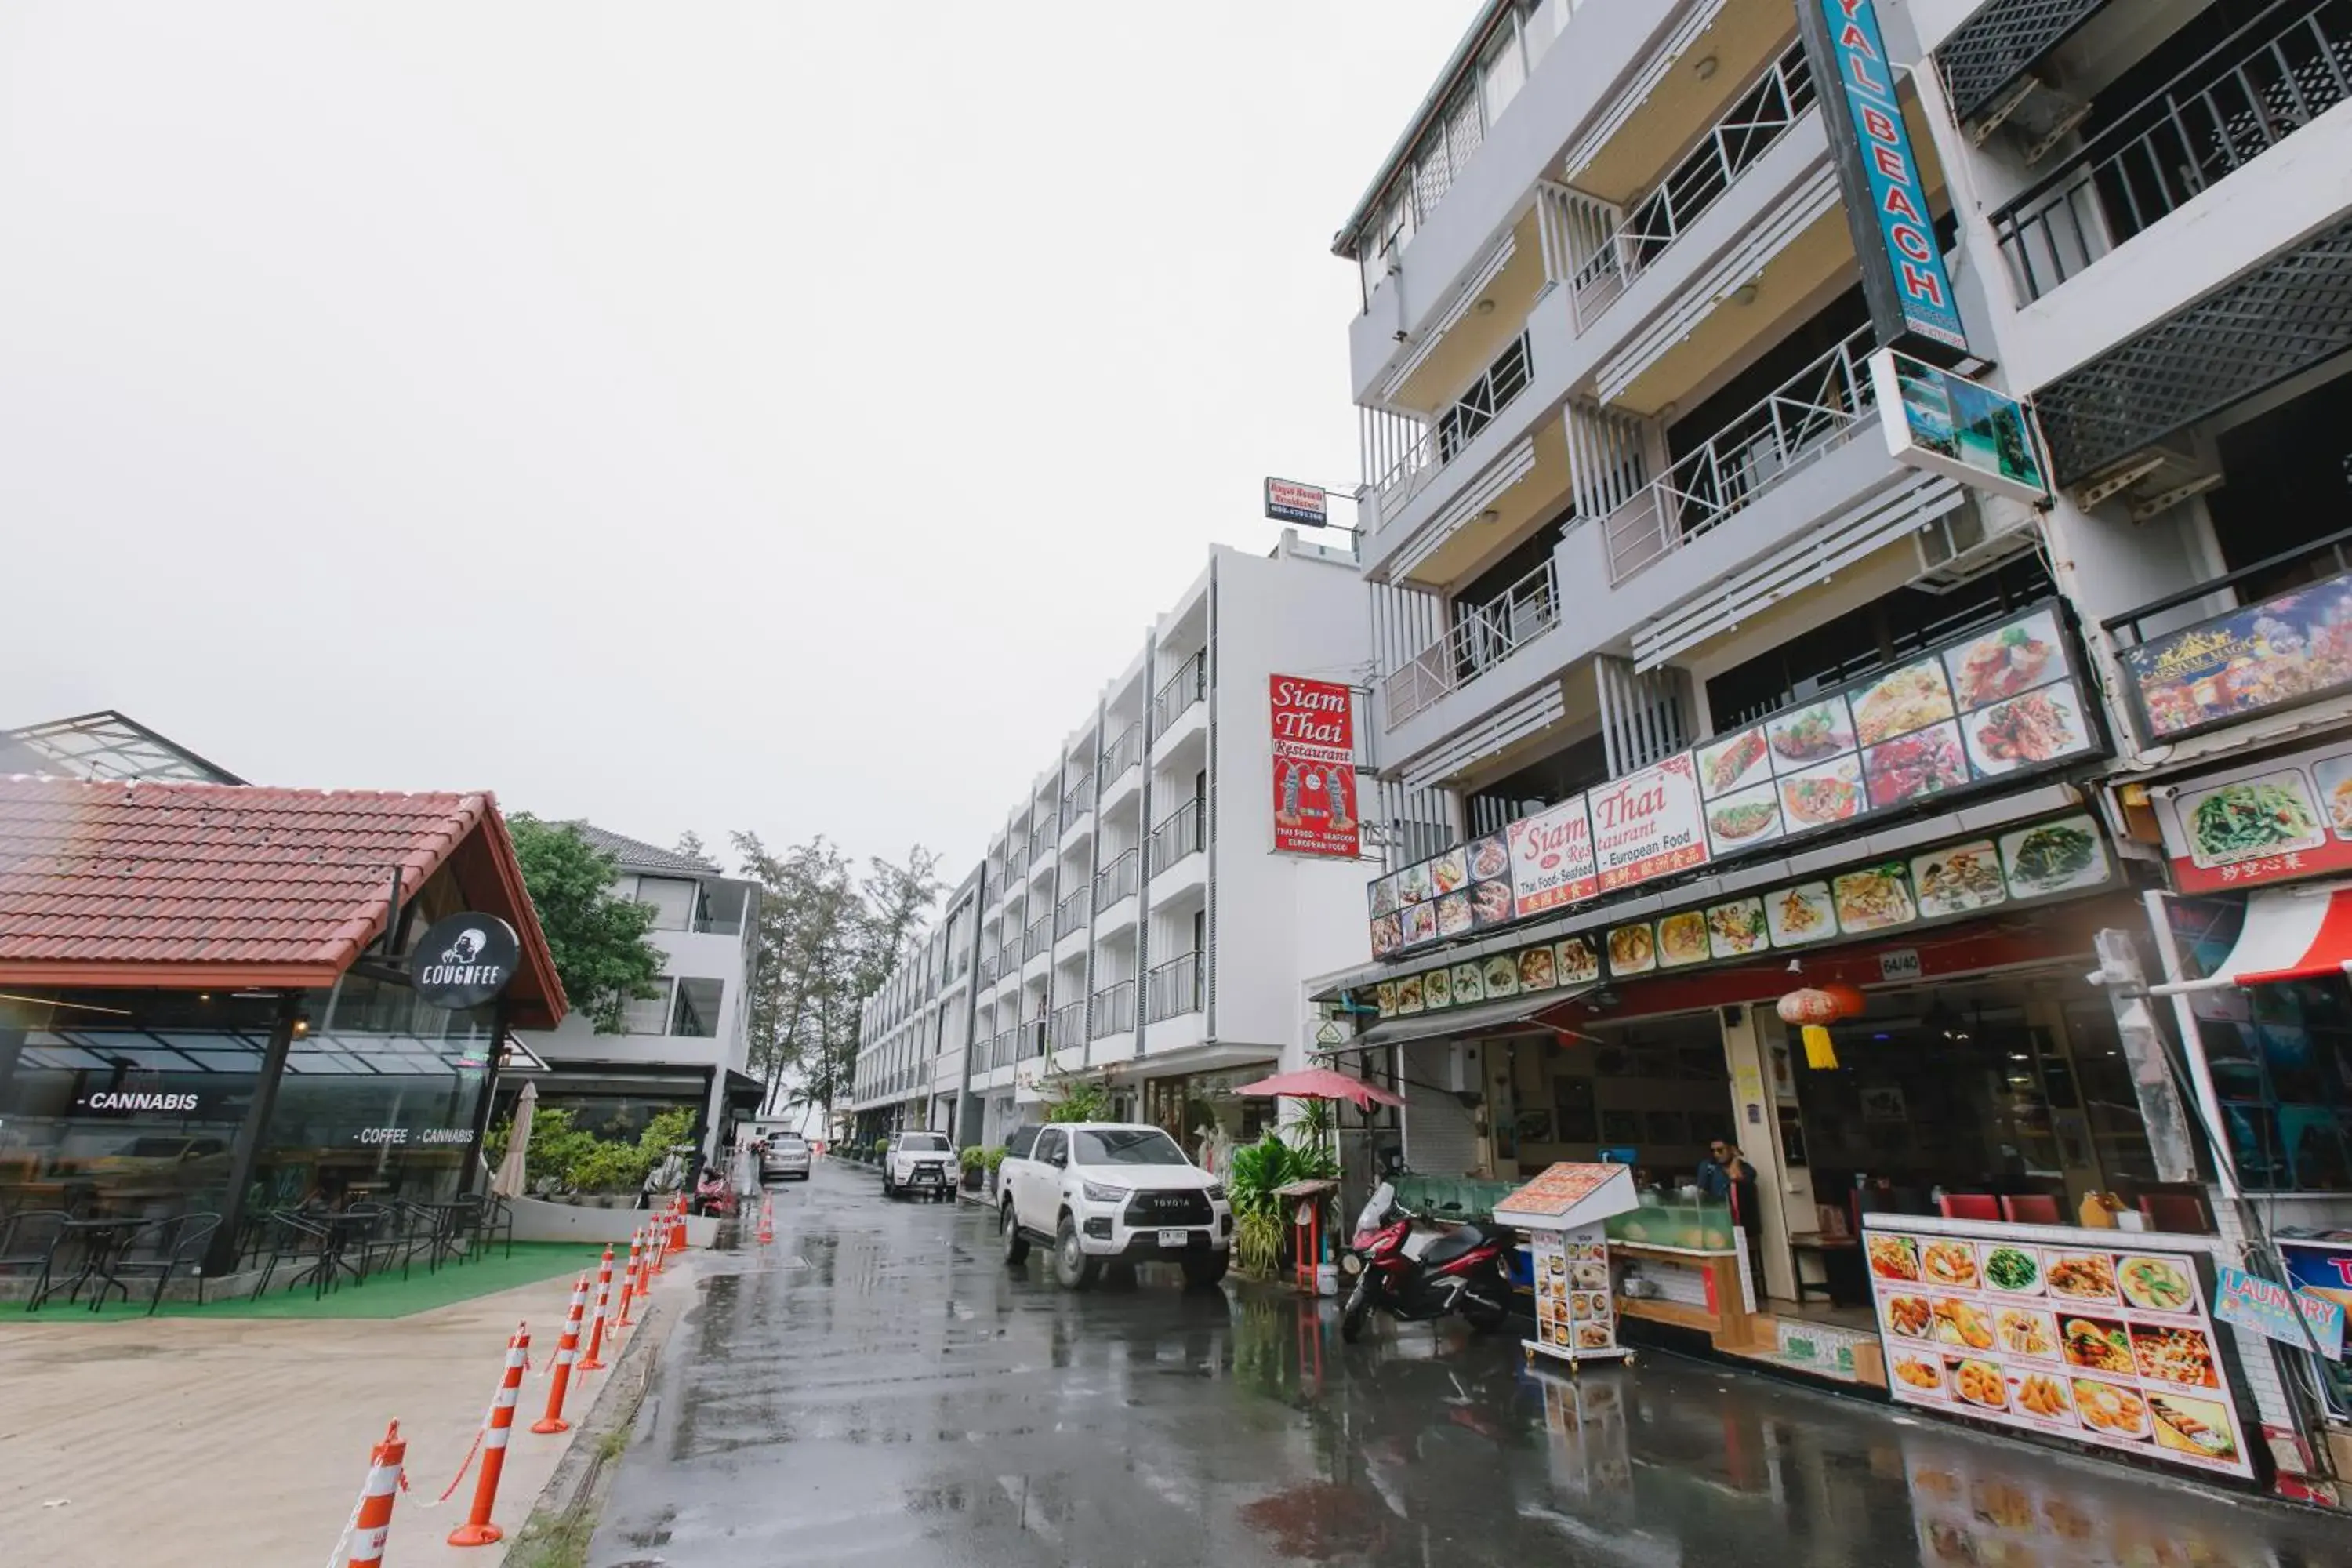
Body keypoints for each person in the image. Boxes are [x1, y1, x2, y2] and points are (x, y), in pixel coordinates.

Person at [1697, 1138, 1764, 1278]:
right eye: (1713, 1151)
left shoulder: (1746, 1168)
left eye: (1720, 1150)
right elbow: (1701, 1192)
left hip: (1742, 1221)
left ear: (1731, 1149)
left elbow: (1735, 1176)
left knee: (1745, 1262)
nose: (1716, 1154)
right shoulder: (1710, 1168)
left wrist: (1736, 1158)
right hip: (1719, 1220)